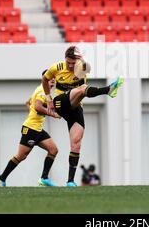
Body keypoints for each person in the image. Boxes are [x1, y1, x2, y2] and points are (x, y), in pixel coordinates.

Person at [42, 46, 124, 187]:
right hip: (60, 103)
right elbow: (45, 80)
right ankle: (108, 90)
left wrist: (82, 59)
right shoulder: (56, 67)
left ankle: (70, 181)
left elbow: (88, 67)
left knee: (76, 143)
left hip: (75, 107)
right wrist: (49, 99)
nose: (71, 65)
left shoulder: (82, 67)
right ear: (65, 59)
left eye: (73, 63)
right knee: (81, 89)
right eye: (69, 62)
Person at [0, 70, 61, 187]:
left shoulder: (43, 91)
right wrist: (53, 114)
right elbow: (37, 106)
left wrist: (32, 110)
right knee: (21, 156)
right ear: (44, 79)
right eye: (50, 78)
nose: (52, 80)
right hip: (30, 129)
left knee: (53, 150)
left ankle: (44, 179)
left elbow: (28, 102)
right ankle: (1, 179)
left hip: (38, 129)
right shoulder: (41, 91)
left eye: (53, 78)